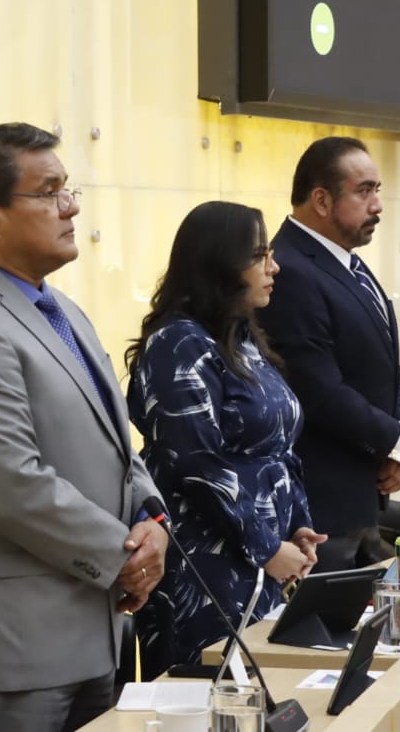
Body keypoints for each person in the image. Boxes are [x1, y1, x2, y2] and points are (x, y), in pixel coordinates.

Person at [0, 122, 167, 731]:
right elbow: (12, 486)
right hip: (20, 648)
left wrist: (152, 520)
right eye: (49, 191)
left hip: (96, 629)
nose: (71, 206)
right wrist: (122, 557)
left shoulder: (58, 308)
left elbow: (116, 442)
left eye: (69, 189)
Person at [125, 201, 325, 676]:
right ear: (220, 263)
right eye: (259, 256)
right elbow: (197, 466)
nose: (273, 267)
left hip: (258, 560)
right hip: (205, 565)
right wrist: (268, 548)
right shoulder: (178, 344)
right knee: (209, 704)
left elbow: (278, 450)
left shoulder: (241, 340)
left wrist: (297, 526)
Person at [258, 136, 400, 571]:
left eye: (378, 191)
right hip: (322, 511)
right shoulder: (291, 270)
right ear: (321, 199)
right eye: (364, 191)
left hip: (362, 498)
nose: (377, 205)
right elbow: (318, 389)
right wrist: (396, 439)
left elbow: (385, 367)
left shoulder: (345, 261)